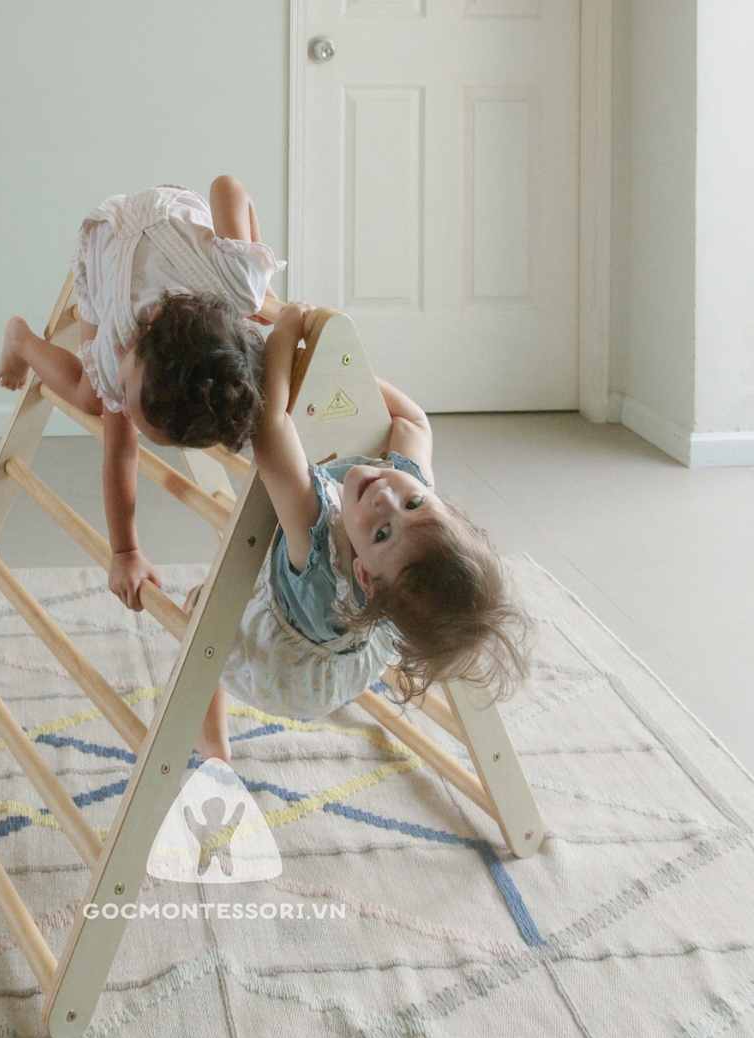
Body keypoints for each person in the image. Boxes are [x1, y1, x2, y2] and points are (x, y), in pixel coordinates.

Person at [196, 303, 531, 762]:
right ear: (442, 506)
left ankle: (210, 733)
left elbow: (270, 430)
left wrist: (285, 336)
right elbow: (413, 422)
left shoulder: (320, 541)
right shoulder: (412, 502)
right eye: (414, 503)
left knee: (201, 607)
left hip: (280, 669)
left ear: (364, 576)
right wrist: (337, 373)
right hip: (349, 663)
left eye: (382, 533)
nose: (386, 497)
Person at [0, 177, 283, 611]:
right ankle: (21, 339)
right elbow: (227, 187)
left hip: (157, 249)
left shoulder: (217, 302)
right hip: (115, 232)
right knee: (91, 397)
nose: (124, 409)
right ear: (149, 330)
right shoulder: (233, 287)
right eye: (130, 397)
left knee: (106, 397)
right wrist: (124, 551)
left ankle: (24, 340)